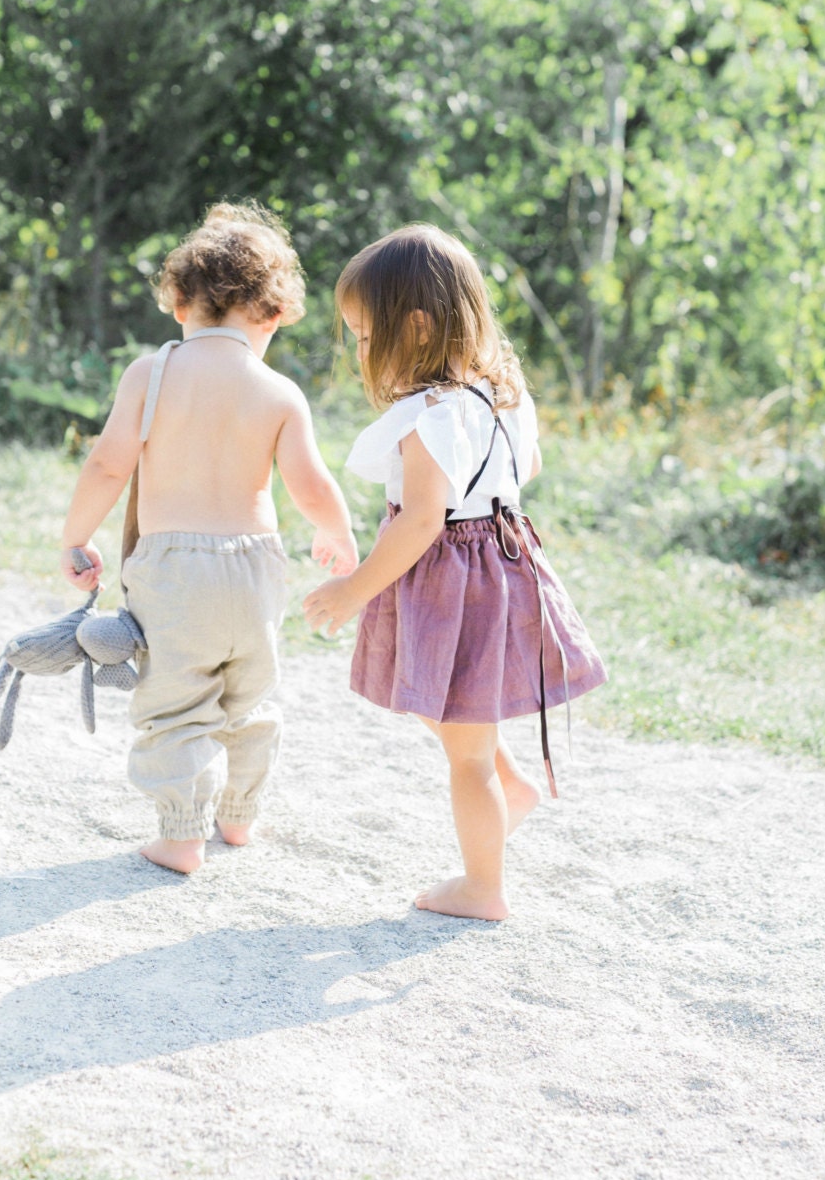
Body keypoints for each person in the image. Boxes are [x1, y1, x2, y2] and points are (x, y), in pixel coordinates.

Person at [303, 225, 607, 921]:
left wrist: (353, 590)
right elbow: (525, 470)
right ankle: (509, 785)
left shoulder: (430, 415)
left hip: (451, 579)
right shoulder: (504, 396)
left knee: (461, 746)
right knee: (443, 702)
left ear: (411, 328)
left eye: (360, 334)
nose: (358, 350)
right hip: (501, 566)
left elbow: (418, 521)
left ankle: (482, 887)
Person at [62, 201, 358, 875]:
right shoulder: (279, 391)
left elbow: (109, 463)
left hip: (174, 571)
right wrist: (339, 540)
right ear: (276, 314)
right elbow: (311, 486)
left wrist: (75, 536)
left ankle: (179, 834)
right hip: (256, 568)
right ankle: (239, 817)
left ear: (177, 304)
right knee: (248, 696)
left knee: (175, 699)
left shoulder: (151, 373)